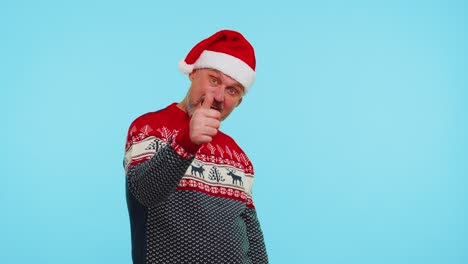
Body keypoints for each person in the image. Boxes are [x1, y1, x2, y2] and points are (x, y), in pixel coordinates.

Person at [123, 29, 268, 263]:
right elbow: (144, 192)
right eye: (214, 79)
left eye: (232, 90)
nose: (219, 96)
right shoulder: (147, 128)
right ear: (193, 73)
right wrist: (187, 141)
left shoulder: (239, 157)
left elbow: (252, 235)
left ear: (239, 102)